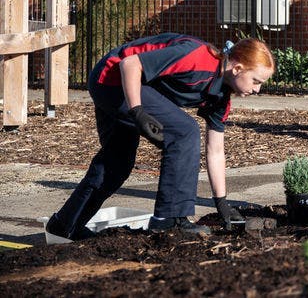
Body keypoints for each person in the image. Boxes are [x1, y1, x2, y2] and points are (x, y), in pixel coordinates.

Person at [45, 33, 276, 240]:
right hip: (112, 78)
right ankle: (170, 220)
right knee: (184, 132)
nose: (257, 90)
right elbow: (130, 64)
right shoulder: (198, 57)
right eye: (256, 81)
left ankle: (65, 224)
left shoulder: (220, 99)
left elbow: (215, 151)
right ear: (237, 68)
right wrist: (137, 111)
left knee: (116, 165)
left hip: (127, 86)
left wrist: (221, 203)